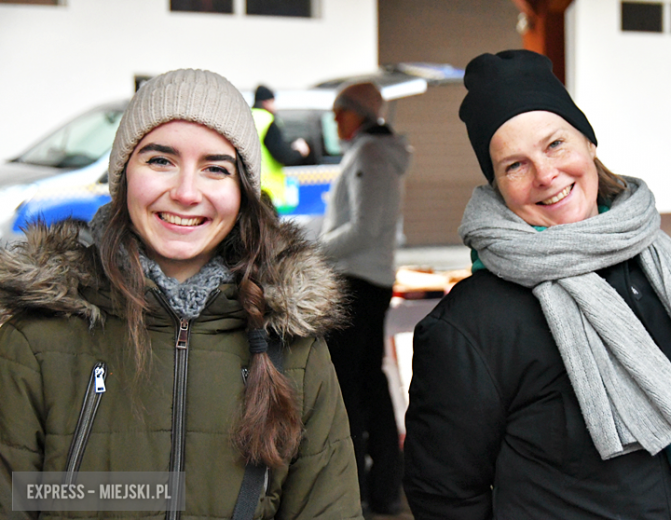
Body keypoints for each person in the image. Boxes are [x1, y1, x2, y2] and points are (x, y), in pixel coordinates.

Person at [403, 50, 671, 519]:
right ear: (497, 186)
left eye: (555, 144)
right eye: (514, 165)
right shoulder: (471, 324)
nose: (545, 175)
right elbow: (444, 495)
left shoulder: (657, 264)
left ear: (589, 143)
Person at [0, 69, 363, 520]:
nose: (187, 193)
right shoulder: (35, 338)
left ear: (242, 190)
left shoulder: (295, 350)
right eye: (159, 161)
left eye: (215, 169)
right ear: (123, 176)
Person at [319, 81, 411, 515]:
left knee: (351, 389)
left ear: (359, 113)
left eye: (341, 110)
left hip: (357, 284)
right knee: (368, 384)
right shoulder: (369, 153)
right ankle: (379, 488)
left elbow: (363, 228)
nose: (335, 118)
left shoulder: (370, 156)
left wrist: (311, 252)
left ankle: (358, 487)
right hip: (364, 281)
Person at [252, 85, 310, 213]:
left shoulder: (248, 117)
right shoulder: (268, 120)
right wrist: (299, 152)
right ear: (267, 102)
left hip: (250, 187)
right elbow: (282, 154)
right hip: (267, 191)